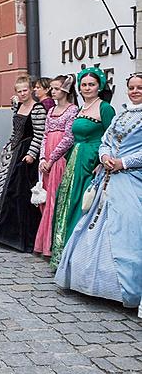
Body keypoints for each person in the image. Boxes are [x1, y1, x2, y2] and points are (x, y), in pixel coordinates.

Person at [54, 73, 142, 311]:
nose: (135, 91)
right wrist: (104, 157)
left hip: (131, 178)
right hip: (106, 174)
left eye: (139, 88)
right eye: (131, 88)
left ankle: (121, 286)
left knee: (126, 224)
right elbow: (106, 140)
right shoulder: (122, 113)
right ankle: (85, 277)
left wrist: (123, 162)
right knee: (90, 220)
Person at [50, 66, 115, 269]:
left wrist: (100, 163)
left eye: (91, 84)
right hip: (75, 161)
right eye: (84, 84)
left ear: (99, 86)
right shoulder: (80, 108)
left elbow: (111, 138)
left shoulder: (105, 108)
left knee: (84, 206)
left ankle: (79, 260)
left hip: (92, 162)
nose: (87, 88)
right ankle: (64, 255)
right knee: (68, 202)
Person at [0, 75, 46, 252]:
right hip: (13, 150)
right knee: (2, 188)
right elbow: (15, 128)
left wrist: (31, 154)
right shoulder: (20, 106)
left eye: (25, 90)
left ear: (31, 90)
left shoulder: (37, 109)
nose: (23, 93)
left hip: (25, 154)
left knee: (18, 193)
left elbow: (39, 134)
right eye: (19, 91)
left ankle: (18, 235)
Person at [34, 74, 78, 256]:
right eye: (52, 88)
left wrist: (52, 159)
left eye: (57, 88)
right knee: (45, 200)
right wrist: (42, 158)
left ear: (66, 90)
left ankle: (54, 244)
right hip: (47, 159)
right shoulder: (51, 111)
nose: (53, 91)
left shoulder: (72, 110)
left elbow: (69, 138)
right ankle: (44, 242)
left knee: (55, 199)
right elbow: (45, 135)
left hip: (59, 159)